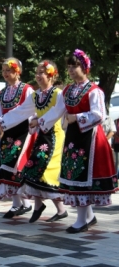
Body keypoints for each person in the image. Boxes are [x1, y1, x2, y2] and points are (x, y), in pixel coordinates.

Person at [0, 59, 68, 223]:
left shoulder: (57, 94)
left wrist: (38, 121)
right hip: (42, 136)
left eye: (42, 73)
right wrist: (1, 120)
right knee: (31, 171)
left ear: (51, 76)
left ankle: (54, 208)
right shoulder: (36, 95)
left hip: (54, 138)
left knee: (44, 173)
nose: (38, 76)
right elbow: (21, 111)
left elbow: (58, 112)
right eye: (37, 73)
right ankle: (50, 208)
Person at [60, 49, 118, 233]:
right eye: (68, 67)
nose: (70, 70)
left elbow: (99, 115)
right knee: (76, 175)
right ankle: (89, 216)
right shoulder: (68, 90)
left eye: (74, 66)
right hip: (73, 138)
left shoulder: (94, 91)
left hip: (89, 138)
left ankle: (81, 220)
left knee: (82, 177)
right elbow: (60, 110)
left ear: (85, 68)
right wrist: (42, 121)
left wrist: (76, 118)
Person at [0, 57, 35, 218]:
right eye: (3, 71)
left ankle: (22, 203)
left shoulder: (26, 90)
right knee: (6, 167)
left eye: (8, 70)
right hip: (8, 134)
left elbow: (31, 112)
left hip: (23, 133)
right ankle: (20, 204)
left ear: (18, 72)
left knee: (16, 166)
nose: (5, 73)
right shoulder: (2, 93)